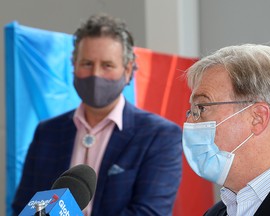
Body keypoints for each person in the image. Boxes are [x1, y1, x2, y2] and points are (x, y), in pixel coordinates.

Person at [12, 14, 182, 216]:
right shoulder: (47, 132)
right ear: (73, 65)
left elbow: (150, 212)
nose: (96, 74)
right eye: (87, 63)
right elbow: (24, 207)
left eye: (107, 65)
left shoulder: (160, 136)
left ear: (128, 70)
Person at [183, 44, 270, 216]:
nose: (189, 121)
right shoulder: (216, 213)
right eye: (191, 110)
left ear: (257, 118)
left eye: (201, 108)